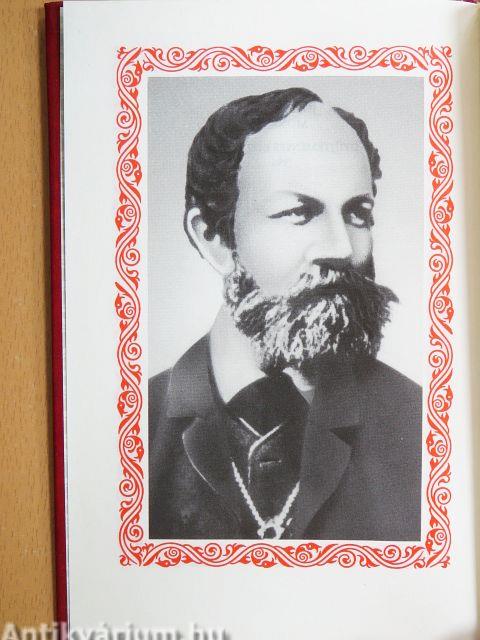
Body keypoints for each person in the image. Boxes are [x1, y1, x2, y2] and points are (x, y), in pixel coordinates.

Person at [148, 87, 422, 541]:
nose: (341, 248)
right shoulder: (131, 429)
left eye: (357, 214)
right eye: (299, 212)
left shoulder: (422, 425)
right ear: (213, 238)